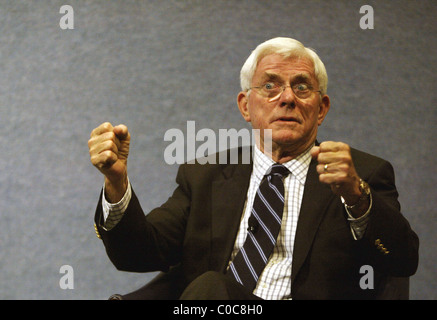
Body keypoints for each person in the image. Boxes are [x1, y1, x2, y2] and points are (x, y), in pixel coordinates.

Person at [88, 37, 419, 300]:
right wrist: (116, 182)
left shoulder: (359, 175)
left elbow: (403, 260)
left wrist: (356, 196)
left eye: (302, 86)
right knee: (211, 290)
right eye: (271, 86)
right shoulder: (206, 175)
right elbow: (138, 255)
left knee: (209, 290)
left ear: (321, 109)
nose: (287, 98)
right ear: (246, 106)